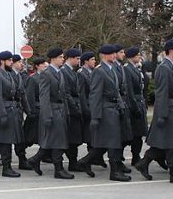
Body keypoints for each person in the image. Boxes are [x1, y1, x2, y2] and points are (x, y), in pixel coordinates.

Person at [134, 39, 173, 184]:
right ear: (170, 50)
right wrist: (162, 113)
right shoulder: (164, 67)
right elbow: (162, 92)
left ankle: (144, 163)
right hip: (168, 107)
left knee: (165, 142)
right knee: (171, 142)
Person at [79, 44, 131, 181]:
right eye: (111, 54)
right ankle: (114, 172)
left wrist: (121, 105)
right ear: (104, 55)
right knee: (113, 142)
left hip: (114, 109)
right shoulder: (99, 71)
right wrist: (95, 116)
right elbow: (95, 95)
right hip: (105, 110)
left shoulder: (112, 69)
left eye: (115, 53)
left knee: (107, 142)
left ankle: (85, 161)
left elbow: (116, 90)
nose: (114, 56)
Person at [29, 48, 74, 179]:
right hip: (53, 111)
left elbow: (64, 94)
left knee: (55, 140)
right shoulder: (46, 74)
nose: (62, 59)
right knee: (57, 141)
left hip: (60, 110)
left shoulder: (59, 73)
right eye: (60, 57)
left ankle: (35, 160)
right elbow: (44, 97)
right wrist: (47, 116)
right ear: (53, 59)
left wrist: (67, 111)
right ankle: (58, 169)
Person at [60, 48, 85, 171]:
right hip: (70, 109)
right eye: (77, 58)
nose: (79, 61)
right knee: (71, 138)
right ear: (70, 58)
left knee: (74, 138)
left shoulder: (73, 72)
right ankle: (72, 162)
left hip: (75, 106)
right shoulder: (64, 72)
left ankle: (73, 162)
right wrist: (74, 108)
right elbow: (66, 92)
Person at [124, 47, 148, 165]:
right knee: (134, 134)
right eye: (137, 55)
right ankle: (134, 156)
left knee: (139, 134)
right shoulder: (127, 69)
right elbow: (129, 90)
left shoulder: (136, 69)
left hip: (140, 101)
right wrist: (134, 106)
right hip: (134, 103)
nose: (140, 57)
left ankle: (136, 155)